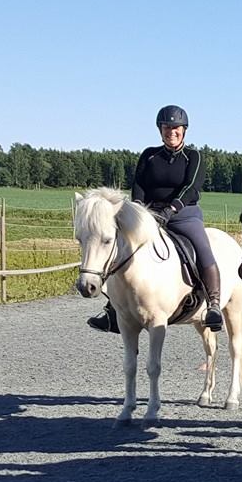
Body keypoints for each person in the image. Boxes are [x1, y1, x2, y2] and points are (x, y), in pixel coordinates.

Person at [88, 104, 225, 333]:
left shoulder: (193, 156)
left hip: (184, 215)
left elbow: (191, 187)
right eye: (166, 127)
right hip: (149, 215)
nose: (171, 131)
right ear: (160, 130)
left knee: (202, 249)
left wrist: (172, 209)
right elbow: (139, 185)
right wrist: (139, 211)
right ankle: (113, 308)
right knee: (121, 249)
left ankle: (213, 304)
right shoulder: (149, 155)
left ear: (184, 130)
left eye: (176, 128)